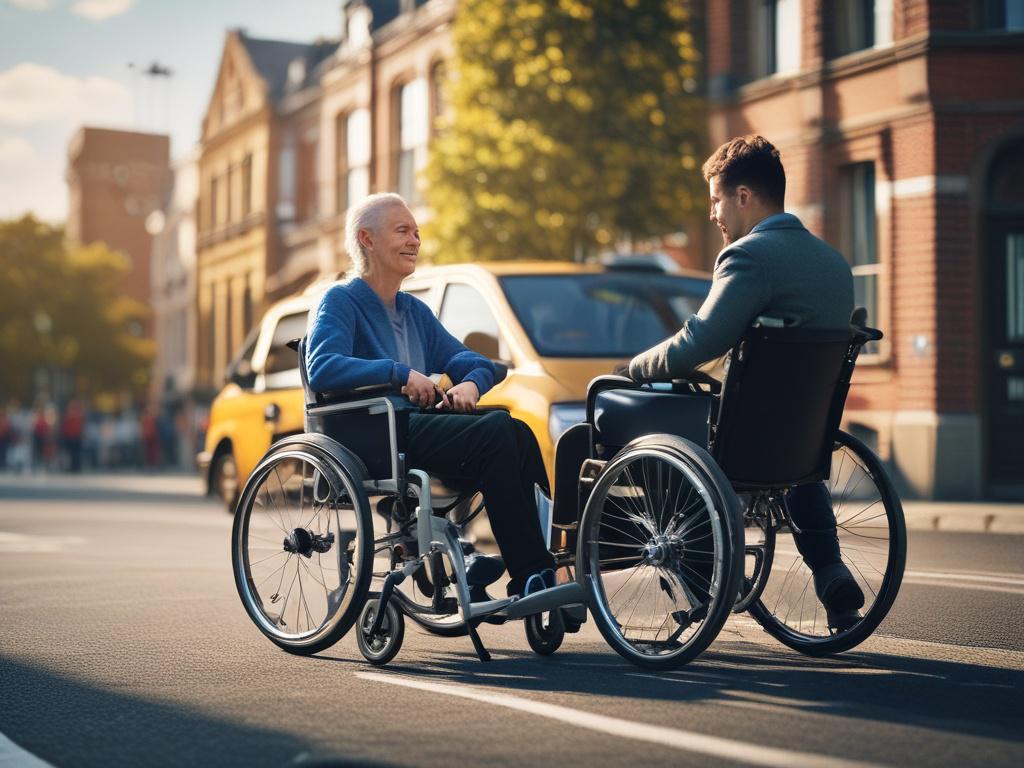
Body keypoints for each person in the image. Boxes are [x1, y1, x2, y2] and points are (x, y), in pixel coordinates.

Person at [624, 135, 864, 628]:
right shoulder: (834, 265)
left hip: (741, 436)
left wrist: (635, 367)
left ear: (743, 197)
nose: (713, 213)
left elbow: (698, 342)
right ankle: (831, 572)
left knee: (638, 418)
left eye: (715, 199)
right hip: (804, 435)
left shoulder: (748, 257)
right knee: (794, 458)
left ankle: (702, 572)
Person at [305, 192, 556, 598]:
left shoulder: (414, 311)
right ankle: (531, 571)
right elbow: (323, 367)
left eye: (417, 233)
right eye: (402, 231)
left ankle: (539, 568)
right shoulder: (340, 301)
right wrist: (400, 374)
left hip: (414, 428)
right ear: (367, 240)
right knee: (495, 432)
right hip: (374, 435)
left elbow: (481, 362)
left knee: (518, 430)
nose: (415, 241)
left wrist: (470, 384)